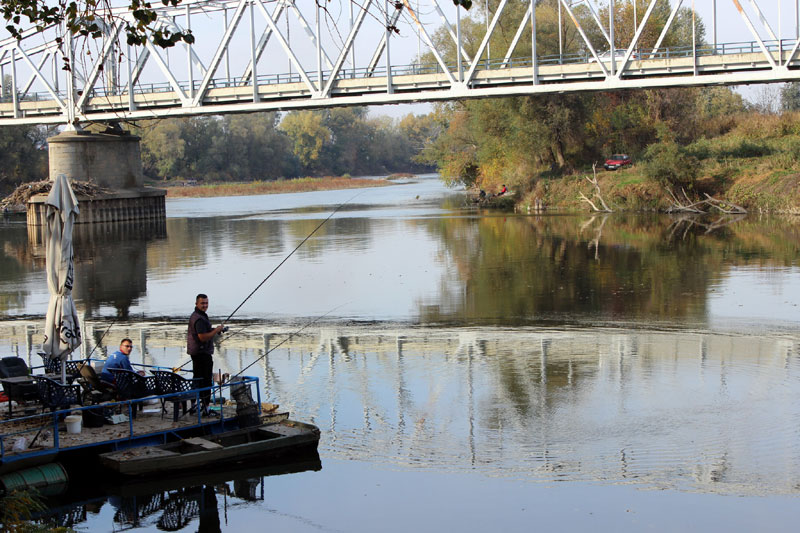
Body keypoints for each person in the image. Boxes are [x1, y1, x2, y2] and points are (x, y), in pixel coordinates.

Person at [187, 294, 225, 416]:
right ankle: (206, 408)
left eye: (206, 303)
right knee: (205, 381)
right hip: (201, 353)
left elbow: (205, 331)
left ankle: (194, 405)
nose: (205, 305)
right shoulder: (198, 318)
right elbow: (202, 337)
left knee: (197, 379)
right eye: (202, 303)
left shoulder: (199, 316)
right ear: (196, 303)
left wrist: (216, 330)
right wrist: (215, 331)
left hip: (197, 352)